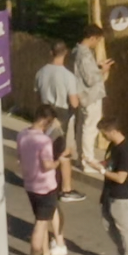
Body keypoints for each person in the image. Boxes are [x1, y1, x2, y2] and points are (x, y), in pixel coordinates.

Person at [16, 113, 66, 255]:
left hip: (30, 184)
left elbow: (20, 156)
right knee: (41, 223)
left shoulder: (22, 134)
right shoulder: (44, 141)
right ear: (47, 122)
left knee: (41, 220)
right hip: (45, 186)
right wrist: (59, 162)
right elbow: (47, 165)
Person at [34, 52, 87, 202]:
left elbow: (36, 97)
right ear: (65, 53)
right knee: (65, 152)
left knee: (47, 150)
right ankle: (66, 189)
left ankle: (44, 181)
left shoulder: (41, 72)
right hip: (62, 116)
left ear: (50, 53)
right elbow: (74, 102)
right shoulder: (68, 76)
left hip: (45, 115)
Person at [98, 129, 128, 255]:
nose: (103, 136)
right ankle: (123, 254)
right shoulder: (113, 146)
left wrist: (101, 171)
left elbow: (121, 178)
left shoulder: (125, 150)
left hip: (121, 195)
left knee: (124, 229)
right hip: (109, 191)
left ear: (113, 131)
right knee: (107, 223)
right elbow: (110, 166)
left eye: (104, 133)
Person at [67, 34, 110, 176]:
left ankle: (82, 157)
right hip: (90, 95)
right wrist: (102, 71)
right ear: (92, 37)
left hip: (83, 94)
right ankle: (88, 160)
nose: (97, 43)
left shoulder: (76, 51)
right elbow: (90, 79)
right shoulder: (84, 54)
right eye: (97, 40)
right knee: (90, 127)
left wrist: (96, 68)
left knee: (82, 126)